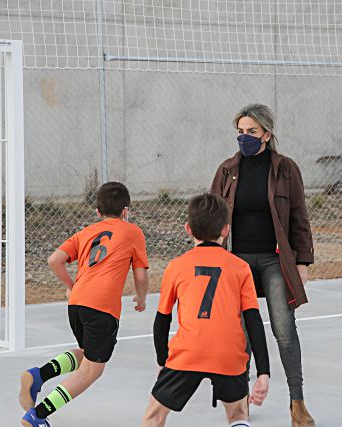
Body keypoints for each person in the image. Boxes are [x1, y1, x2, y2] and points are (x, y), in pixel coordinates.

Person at [210, 104, 316, 426]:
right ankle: (239, 401)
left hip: (274, 260)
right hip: (237, 261)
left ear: (267, 135)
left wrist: (302, 262)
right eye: (241, 132)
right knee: (239, 332)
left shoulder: (285, 169)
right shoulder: (227, 169)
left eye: (251, 132)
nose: (245, 138)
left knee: (284, 330)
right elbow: (212, 216)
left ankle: (297, 403)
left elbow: (299, 216)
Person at [18, 182, 149, 427]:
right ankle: (38, 415)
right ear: (126, 211)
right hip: (102, 308)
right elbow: (141, 276)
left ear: (98, 212)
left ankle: (39, 375)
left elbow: (55, 260)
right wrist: (141, 298)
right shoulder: (133, 232)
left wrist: (71, 286)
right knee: (92, 371)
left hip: (77, 305)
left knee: (87, 356)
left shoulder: (87, 231)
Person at [141, 193, 270, 427]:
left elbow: (162, 320)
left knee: (154, 415)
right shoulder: (241, 268)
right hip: (228, 355)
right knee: (239, 414)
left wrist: (162, 360)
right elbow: (253, 320)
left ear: (188, 229)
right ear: (226, 230)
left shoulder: (176, 267)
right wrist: (263, 372)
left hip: (188, 353)